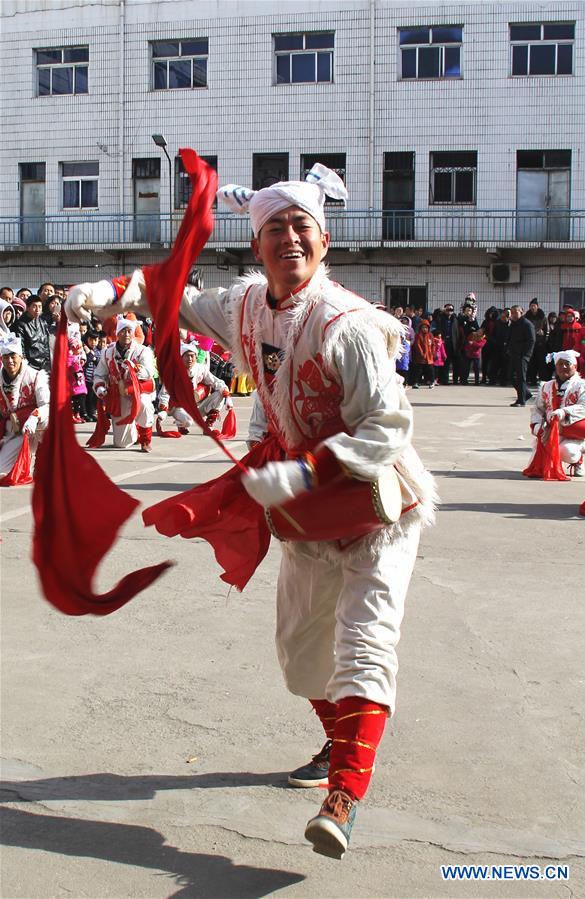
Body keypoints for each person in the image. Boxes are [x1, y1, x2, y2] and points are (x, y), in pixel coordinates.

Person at [65, 162, 436, 861]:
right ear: (256, 246)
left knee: (364, 643)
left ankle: (346, 795)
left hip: (377, 506)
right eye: (274, 229)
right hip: (301, 512)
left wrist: (306, 468)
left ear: (324, 242)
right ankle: (339, 737)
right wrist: (109, 292)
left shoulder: (347, 324)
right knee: (301, 657)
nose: (288, 239)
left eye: (302, 227)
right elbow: (171, 291)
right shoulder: (241, 306)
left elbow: (388, 426)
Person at [529, 351, 585, 477]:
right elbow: (537, 409)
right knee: (537, 463)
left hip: (572, 431)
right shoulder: (546, 386)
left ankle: (578, 460)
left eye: (567, 364)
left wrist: (564, 412)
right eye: (560, 364)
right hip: (550, 431)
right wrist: (537, 424)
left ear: (575, 367)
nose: (563, 367)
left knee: (568, 452)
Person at [93, 317, 155, 451]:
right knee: (121, 443)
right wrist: (100, 388)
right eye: (123, 331)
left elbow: (149, 372)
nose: (126, 334)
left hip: (138, 391)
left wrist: (135, 369)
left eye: (129, 331)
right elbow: (99, 374)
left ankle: (145, 439)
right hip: (119, 395)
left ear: (133, 333)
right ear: (117, 333)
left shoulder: (142, 351)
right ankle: (135, 431)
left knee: (144, 404)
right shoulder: (107, 352)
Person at [0, 334, 49, 480]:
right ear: (1, 358)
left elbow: (47, 405)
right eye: (6, 357)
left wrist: (34, 416)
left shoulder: (36, 376)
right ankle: (25, 458)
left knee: (48, 421)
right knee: (3, 474)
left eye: (13, 356)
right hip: (13, 432)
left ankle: (44, 462)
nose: (10, 361)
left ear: (21, 356)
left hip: (36, 428)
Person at [157, 342, 232, 435]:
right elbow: (165, 392)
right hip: (178, 406)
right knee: (188, 421)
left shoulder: (201, 368)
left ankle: (208, 425)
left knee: (220, 393)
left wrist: (226, 394)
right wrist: (163, 409)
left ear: (196, 357)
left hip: (195, 404)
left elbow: (215, 381)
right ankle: (181, 424)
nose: (190, 359)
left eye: (192, 356)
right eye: (187, 356)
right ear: (181, 357)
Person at [12, 294, 51, 373]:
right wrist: (26, 364)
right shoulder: (21, 324)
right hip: (30, 365)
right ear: (28, 307)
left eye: (40, 306)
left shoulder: (43, 322)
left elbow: (46, 344)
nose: (37, 309)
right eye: (34, 306)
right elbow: (21, 346)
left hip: (45, 364)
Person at [506, 305, 535, 406]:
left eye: (515, 312)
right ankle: (525, 394)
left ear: (521, 312)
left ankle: (521, 400)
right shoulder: (513, 324)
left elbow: (531, 340)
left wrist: (526, 355)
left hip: (522, 355)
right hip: (513, 354)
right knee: (510, 376)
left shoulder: (527, 324)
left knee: (521, 377)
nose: (513, 314)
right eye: (512, 312)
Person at [66, 324, 88, 424]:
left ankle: (77, 414)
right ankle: (72, 415)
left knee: (80, 400)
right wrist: (75, 366)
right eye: (78, 348)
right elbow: (69, 368)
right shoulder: (70, 358)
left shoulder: (77, 357)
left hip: (79, 383)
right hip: (74, 384)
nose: (80, 350)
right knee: (74, 401)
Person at [525, 299, 548, 385]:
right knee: (531, 363)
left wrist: (544, 337)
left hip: (540, 343)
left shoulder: (543, 317)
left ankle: (542, 380)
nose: (532, 307)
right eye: (531, 306)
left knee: (541, 363)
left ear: (537, 307)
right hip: (530, 343)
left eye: (534, 306)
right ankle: (532, 380)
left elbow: (547, 331)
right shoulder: (527, 317)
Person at [82, 330, 101, 421]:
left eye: (95, 340)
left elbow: (99, 363)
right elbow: (84, 363)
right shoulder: (84, 350)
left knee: (94, 397)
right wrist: (90, 355)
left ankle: (93, 412)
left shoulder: (99, 351)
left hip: (95, 378)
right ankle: (88, 413)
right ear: (87, 339)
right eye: (91, 340)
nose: (93, 342)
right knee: (88, 397)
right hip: (86, 378)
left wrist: (93, 357)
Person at [411, 319, 435, 388]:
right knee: (419, 371)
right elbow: (417, 345)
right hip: (420, 357)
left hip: (429, 357)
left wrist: (433, 352)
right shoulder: (418, 335)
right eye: (423, 327)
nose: (425, 329)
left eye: (426, 327)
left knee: (430, 370)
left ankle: (432, 381)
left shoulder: (430, 335)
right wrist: (421, 353)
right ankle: (416, 382)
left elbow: (433, 344)